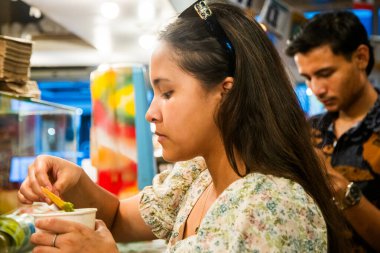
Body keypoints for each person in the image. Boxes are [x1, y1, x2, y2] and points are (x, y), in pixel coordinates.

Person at [19, 1, 348, 252]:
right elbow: (119, 219)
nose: (151, 113)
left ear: (225, 93)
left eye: (167, 93)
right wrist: (76, 180)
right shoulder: (199, 174)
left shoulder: (271, 207)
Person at [286, 11, 380, 252]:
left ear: (360, 57)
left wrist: (338, 186)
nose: (316, 89)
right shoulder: (310, 130)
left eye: (325, 74)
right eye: (307, 78)